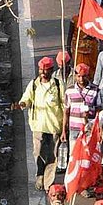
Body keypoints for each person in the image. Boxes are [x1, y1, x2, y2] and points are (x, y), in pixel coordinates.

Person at [14, 55, 64, 189]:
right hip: (38, 126)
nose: (43, 72)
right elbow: (26, 98)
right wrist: (22, 103)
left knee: (52, 156)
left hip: (54, 126)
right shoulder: (34, 84)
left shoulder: (58, 84)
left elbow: (65, 105)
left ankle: (48, 182)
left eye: (46, 69)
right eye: (41, 69)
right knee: (38, 153)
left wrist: (65, 127)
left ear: (51, 70)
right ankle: (40, 176)